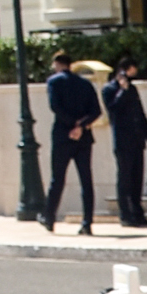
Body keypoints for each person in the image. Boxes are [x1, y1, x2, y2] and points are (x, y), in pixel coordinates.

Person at [40, 51, 98, 236]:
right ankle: (87, 222)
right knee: (86, 181)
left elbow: (54, 107)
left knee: (57, 179)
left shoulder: (54, 82)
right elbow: (96, 111)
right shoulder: (85, 84)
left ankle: (49, 218)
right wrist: (81, 125)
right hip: (84, 138)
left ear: (57, 64)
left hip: (62, 136)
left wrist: (71, 125)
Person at [102, 58, 147, 228]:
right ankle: (125, 214)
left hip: (136, 140)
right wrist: (122, 91)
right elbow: (113, 110)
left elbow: (140, 114)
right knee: (125, 179)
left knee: (136, 179)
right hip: (122, 141)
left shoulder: (133, 90)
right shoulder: (109, 90)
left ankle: (138, 213)